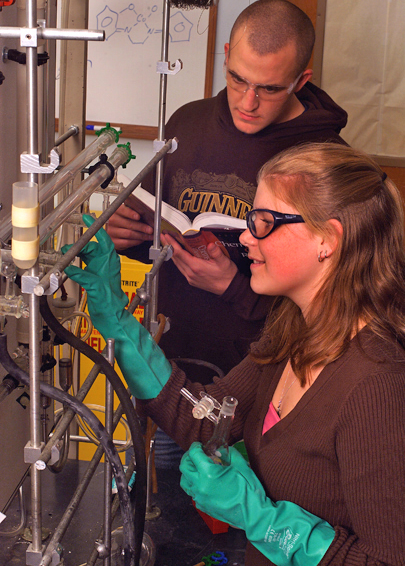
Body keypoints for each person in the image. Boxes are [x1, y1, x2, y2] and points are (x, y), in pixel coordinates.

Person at [65, 142, 405, 565]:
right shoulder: (297, 328)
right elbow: (206, 419)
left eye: (264, 222)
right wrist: (114, 318)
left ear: (327, 239)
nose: (245, 237)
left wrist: (263, 519)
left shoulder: (377, 384)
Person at [107, 0, 348, 375]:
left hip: (265, 375)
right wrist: (131, 236)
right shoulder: (186, 121)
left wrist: (234, 287)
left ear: (301, 81)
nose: (248, 103)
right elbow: (165, 238)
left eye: (269, 89)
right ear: (227, 56)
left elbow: (337, 302)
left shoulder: (327, 160)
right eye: (238, 79)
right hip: (171, 362)